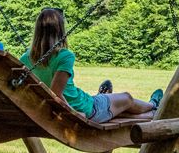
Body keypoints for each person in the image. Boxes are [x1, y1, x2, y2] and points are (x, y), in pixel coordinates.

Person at [21, 7, 162, 123]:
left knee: (118, 107)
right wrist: (75, 114)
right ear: (60, 30)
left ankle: (106, 98)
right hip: (87, 109)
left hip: (56, 110)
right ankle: (154, 106)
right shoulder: (64, 56)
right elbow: (56, 94)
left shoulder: (26, 58)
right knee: (127, 98)